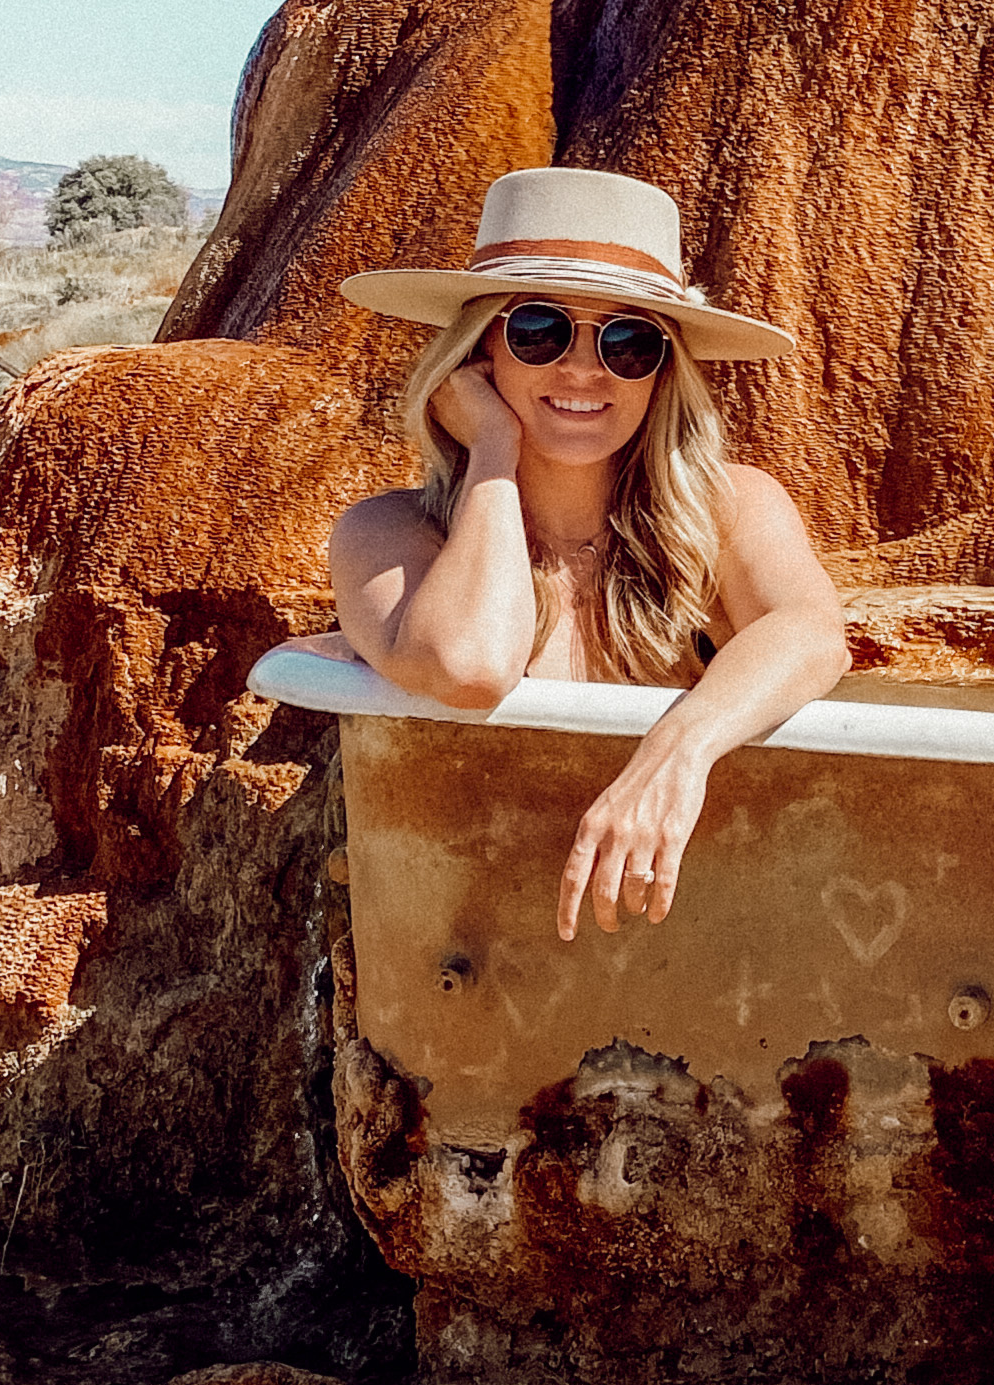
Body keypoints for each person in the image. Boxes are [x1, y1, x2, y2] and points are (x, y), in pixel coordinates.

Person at [329, 169, 848, 941]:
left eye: (628, 341)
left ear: (664, 371)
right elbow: (467, 667)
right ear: (478, 355)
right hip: (476, 954)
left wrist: (676, 752)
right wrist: (495, 451)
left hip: (692, 943)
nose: (581, 369)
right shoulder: (388, 536)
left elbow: (810, 632)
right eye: (538, 330)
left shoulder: (727, 510)